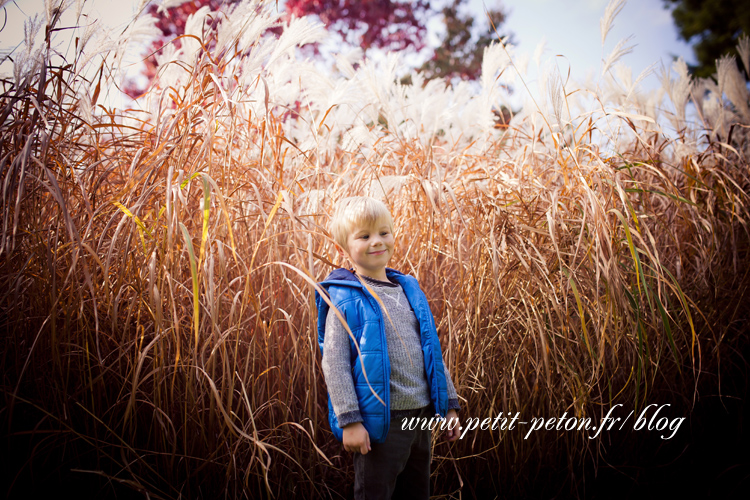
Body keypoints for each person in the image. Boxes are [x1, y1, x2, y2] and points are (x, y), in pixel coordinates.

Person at [315, 196, 461, 499]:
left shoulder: (409, 290)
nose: (377, 241)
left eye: (384, 232)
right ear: (344, 249)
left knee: (416, 491)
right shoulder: (344, 299)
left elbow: (431, 351)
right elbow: (335, 364)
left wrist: (448, 405)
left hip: (419, 420)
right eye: (365, 236)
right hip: (381, 426)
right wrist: (350, 421)